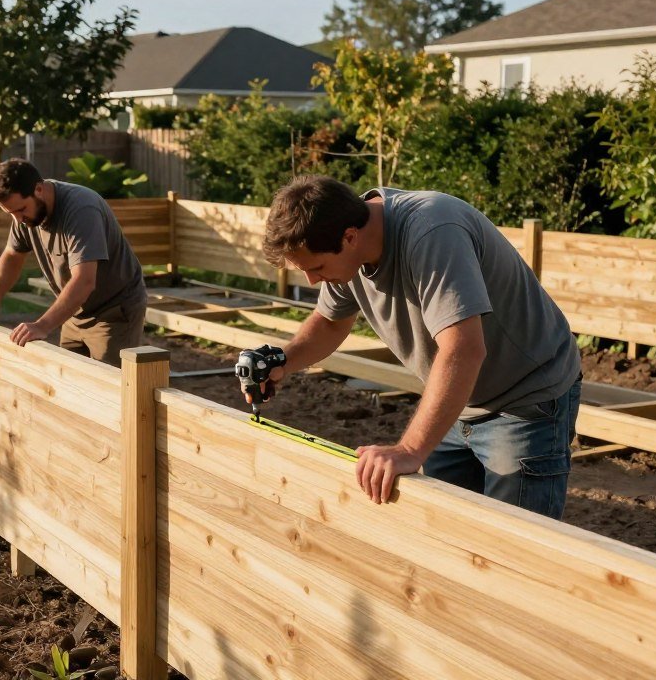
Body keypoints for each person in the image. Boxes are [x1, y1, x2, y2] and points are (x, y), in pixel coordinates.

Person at [245, 175, 582, 519]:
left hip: (525, 401)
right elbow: (331, 321)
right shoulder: (343, 243)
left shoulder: (433, 231)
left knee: (514, 549)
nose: (312, 281)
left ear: (349, 237)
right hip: (456, 396)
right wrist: (283, 361)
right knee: (447, 533)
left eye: (315, 268)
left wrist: (409, 449)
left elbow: (463, 349)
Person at [0, 158, 148, 367]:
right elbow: (13, 255)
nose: (18, 220)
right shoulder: (23, 214)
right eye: (10, 213)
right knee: (70, 383)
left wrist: (42, 325)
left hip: (113, 311)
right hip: (74, 311)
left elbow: (84, 280)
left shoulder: (82, 209)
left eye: (20, 210)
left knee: (110, 391)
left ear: (38, 189)